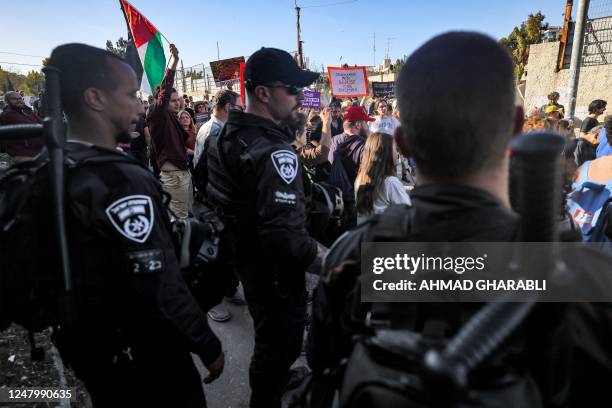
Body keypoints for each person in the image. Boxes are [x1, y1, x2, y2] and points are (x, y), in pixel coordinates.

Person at [307, 32, 571, 408]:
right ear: (515, 126)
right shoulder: (576, 273)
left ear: (404, 142)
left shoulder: (353, 255)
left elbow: (322, 361)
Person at [40, 43, 223, 407]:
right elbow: (160, 280)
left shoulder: (52, 165)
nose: (139, 106)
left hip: (87, 348)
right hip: (143, 351)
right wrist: (207, 342)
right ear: (95, 98)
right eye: (129, 95)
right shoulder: (120, 180)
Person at [199, 47, 319, 408]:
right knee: (277, 344)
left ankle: (274, 381)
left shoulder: (221, 134)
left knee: (271, 341)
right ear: (263, 93)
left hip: (246, 260)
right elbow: (288, 242)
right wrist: (342, 262)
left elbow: (207, 192)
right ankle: (266, 396)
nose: (300, 97)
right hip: (275, 274)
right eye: (292, 89)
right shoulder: (272, 150)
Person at [149, 44, 192, 219]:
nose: (176, 103)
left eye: (178, 99)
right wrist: (174, 62)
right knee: (179, 221)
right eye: (172, 100)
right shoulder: (158, 112)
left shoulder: (172, 117)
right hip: (173, 177)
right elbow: (165, 92)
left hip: (182, 173)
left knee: (183, 217)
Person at [354, 132, 411, 224]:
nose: (397, 153)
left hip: (365, 233)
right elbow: (408, 213)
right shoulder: (390, 182)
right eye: (395, 149)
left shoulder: (361, 178)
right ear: (386, 152)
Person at [193, 89, 240, 166]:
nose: (241, 112)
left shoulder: (215, 127)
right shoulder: (213, 130)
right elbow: (204, 164)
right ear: (229, 107)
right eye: (240, 108)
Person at [0, 91, 45, 162]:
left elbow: (42, 123)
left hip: (38, 151)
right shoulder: (8, 114)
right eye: (14, 99)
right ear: (7, 101)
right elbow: (31, 127)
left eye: (20, 98)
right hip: (23, 153)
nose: (18, 100)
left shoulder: (27, 112)